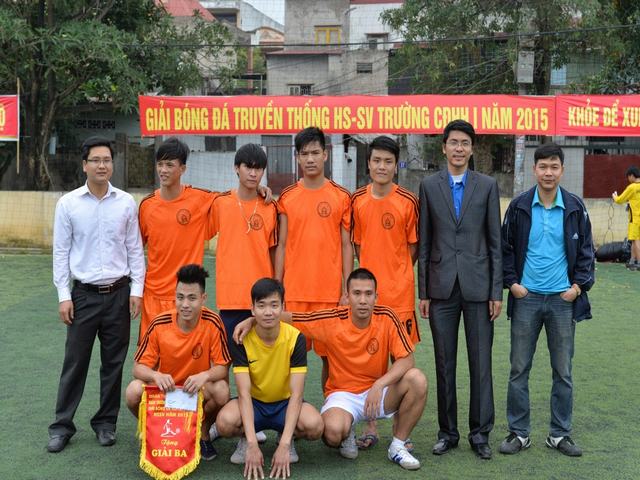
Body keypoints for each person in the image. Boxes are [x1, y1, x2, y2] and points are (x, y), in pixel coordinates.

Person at [236, 269, 428, 471]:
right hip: (343, 396)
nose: (363, 300)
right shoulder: (332, 319)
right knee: (332, 433)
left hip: (377, 393)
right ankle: (348, 430)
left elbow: (407, 360)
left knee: (417, 379)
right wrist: (253, 320)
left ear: (376, 297)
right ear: (347, 296)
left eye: (368, 294)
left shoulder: (387, 317)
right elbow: (293, 318)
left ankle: (398, 446)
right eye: (357, 293)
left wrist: (380, 384)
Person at [48, 136, 145, 453]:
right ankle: (62, 426)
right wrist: (64, 295)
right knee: (75, 362)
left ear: (112, 165)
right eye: (96, 160)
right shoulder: (69, 204)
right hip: (83, 296)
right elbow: (60, 252)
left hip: (119, 294)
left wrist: (137, 290)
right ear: (84, 165)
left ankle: (105, 424)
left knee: (113, 364)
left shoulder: (126, 203)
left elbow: (134, 249)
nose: (102, 165)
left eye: (107, 160)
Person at [500, 143, 595, 457]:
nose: (548, 173)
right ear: (534, 170)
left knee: (563, 371)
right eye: (543, 166)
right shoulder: (519, 206)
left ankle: (559, 434)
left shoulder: (575, 207)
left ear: (562, 170)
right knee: (519, 369)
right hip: (525, 298)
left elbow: (587, 253)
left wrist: (577, 288)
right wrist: (512, 284)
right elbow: (505, 249)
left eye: (554, 167)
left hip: (562, 301)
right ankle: (519, 433)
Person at [417, 119, 502, 459]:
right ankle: (447, 432)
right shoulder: (428, 185)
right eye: (453, 142)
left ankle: (480, 434)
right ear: (444, 147)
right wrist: (424, 291)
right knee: (444, 363)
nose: (459, 148)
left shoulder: (487, 186)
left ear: (471, 148)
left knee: (480, 364)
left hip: (479, 287)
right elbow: (425, 241)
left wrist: (496, 292)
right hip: (441, 288)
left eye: (465, 143)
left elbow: (495, 242)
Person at [138, 137, 271, 342]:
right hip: (154, 296)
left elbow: (236, 197)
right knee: (151, 354)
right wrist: (135, 291)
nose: (163, 170)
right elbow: (135, 252)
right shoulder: (147, 205)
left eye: (169, 165)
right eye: (160, 164)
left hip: (188, 294)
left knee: (189, 353)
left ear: (182, 169)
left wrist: (259, 188)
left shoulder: (203, 199)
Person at [350, 135, 419, 449]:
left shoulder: (407, 201)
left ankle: (402, 430)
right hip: (368, 297)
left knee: (402, 360)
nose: (381, 166)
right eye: (376, 160)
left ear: (396, 166)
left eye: (388, 161)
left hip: (399, 296)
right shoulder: (357, 200)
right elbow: (357, 245)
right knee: (370, 359)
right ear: (368, 164)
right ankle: (370, 426)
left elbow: (413, 247)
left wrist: (397, 274)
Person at [216, 278, 323, 480]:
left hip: (284, 404)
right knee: (224, 422)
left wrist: (284, 446)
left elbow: (297, 394)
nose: (268, 312)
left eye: (274, 305)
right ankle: (246, 438)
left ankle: (287, 438)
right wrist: (252, 444)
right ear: (252, 309)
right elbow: (243, 393)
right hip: (254, 403)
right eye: (261, 305)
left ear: (283, 307)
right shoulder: (241, 338)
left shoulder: (296, 338)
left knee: (315, 425)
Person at [126, 264, 230, 460]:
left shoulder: (213, 322)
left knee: (222, 390)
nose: (185, 304)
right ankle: (153, 431)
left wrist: (204, 375)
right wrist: (156, 375)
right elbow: (137, 368)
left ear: (203, 298)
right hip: (167, 392)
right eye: (180, 297)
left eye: (192, 298)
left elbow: (222, 367)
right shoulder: (159, 322)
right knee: (133, 391)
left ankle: (203, 434)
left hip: (194, 392)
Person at [275, 127, 353, 349]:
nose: (310, 159)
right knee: (290, 356)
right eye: (305, 154)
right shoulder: (287, 197)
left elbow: (346, 246)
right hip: (294, 292)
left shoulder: (341, 196)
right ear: (297, 157)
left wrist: (347, 290)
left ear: (325, 155)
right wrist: (278, 287)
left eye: (315, 153)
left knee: (331, 358)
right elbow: (282, 245)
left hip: (329, 294)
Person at [209, 143, 279, 344]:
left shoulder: (270, 207)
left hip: (262, 299)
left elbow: (274, 251)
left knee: (262, 358)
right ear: (236, 168)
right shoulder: (220, 203)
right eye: (248, 167)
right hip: (230, 297)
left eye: (258, 168)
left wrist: (277, 288)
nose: (253, 173)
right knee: (229, 356)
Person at [612, 166, 640, 270]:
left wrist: (614, 196)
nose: (628, 179)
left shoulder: (632, 187)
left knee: (636, 240)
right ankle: (632, 260)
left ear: (632, 175)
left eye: (628, 177)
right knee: (633, 239)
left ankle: (639, 262)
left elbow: (620, 200)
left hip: (635, 219)